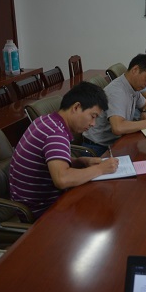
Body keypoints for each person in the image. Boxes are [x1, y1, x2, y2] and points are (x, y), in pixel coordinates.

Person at [9, 82, 120, 219]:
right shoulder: (56, 133)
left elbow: (49, 161)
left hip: (34, 201)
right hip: (41, 211)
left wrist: (80, 162)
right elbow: (62, 179)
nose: (93, 124)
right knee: (103, 208)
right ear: (76, 107)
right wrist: (101, 169)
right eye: (93, 116)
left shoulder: (46, 120)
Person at [83, 54, 146, 156]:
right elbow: (118, 128)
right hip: (98, 149)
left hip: (117, 142)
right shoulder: (117, 91)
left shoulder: (133, 87)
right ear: (135, 70)